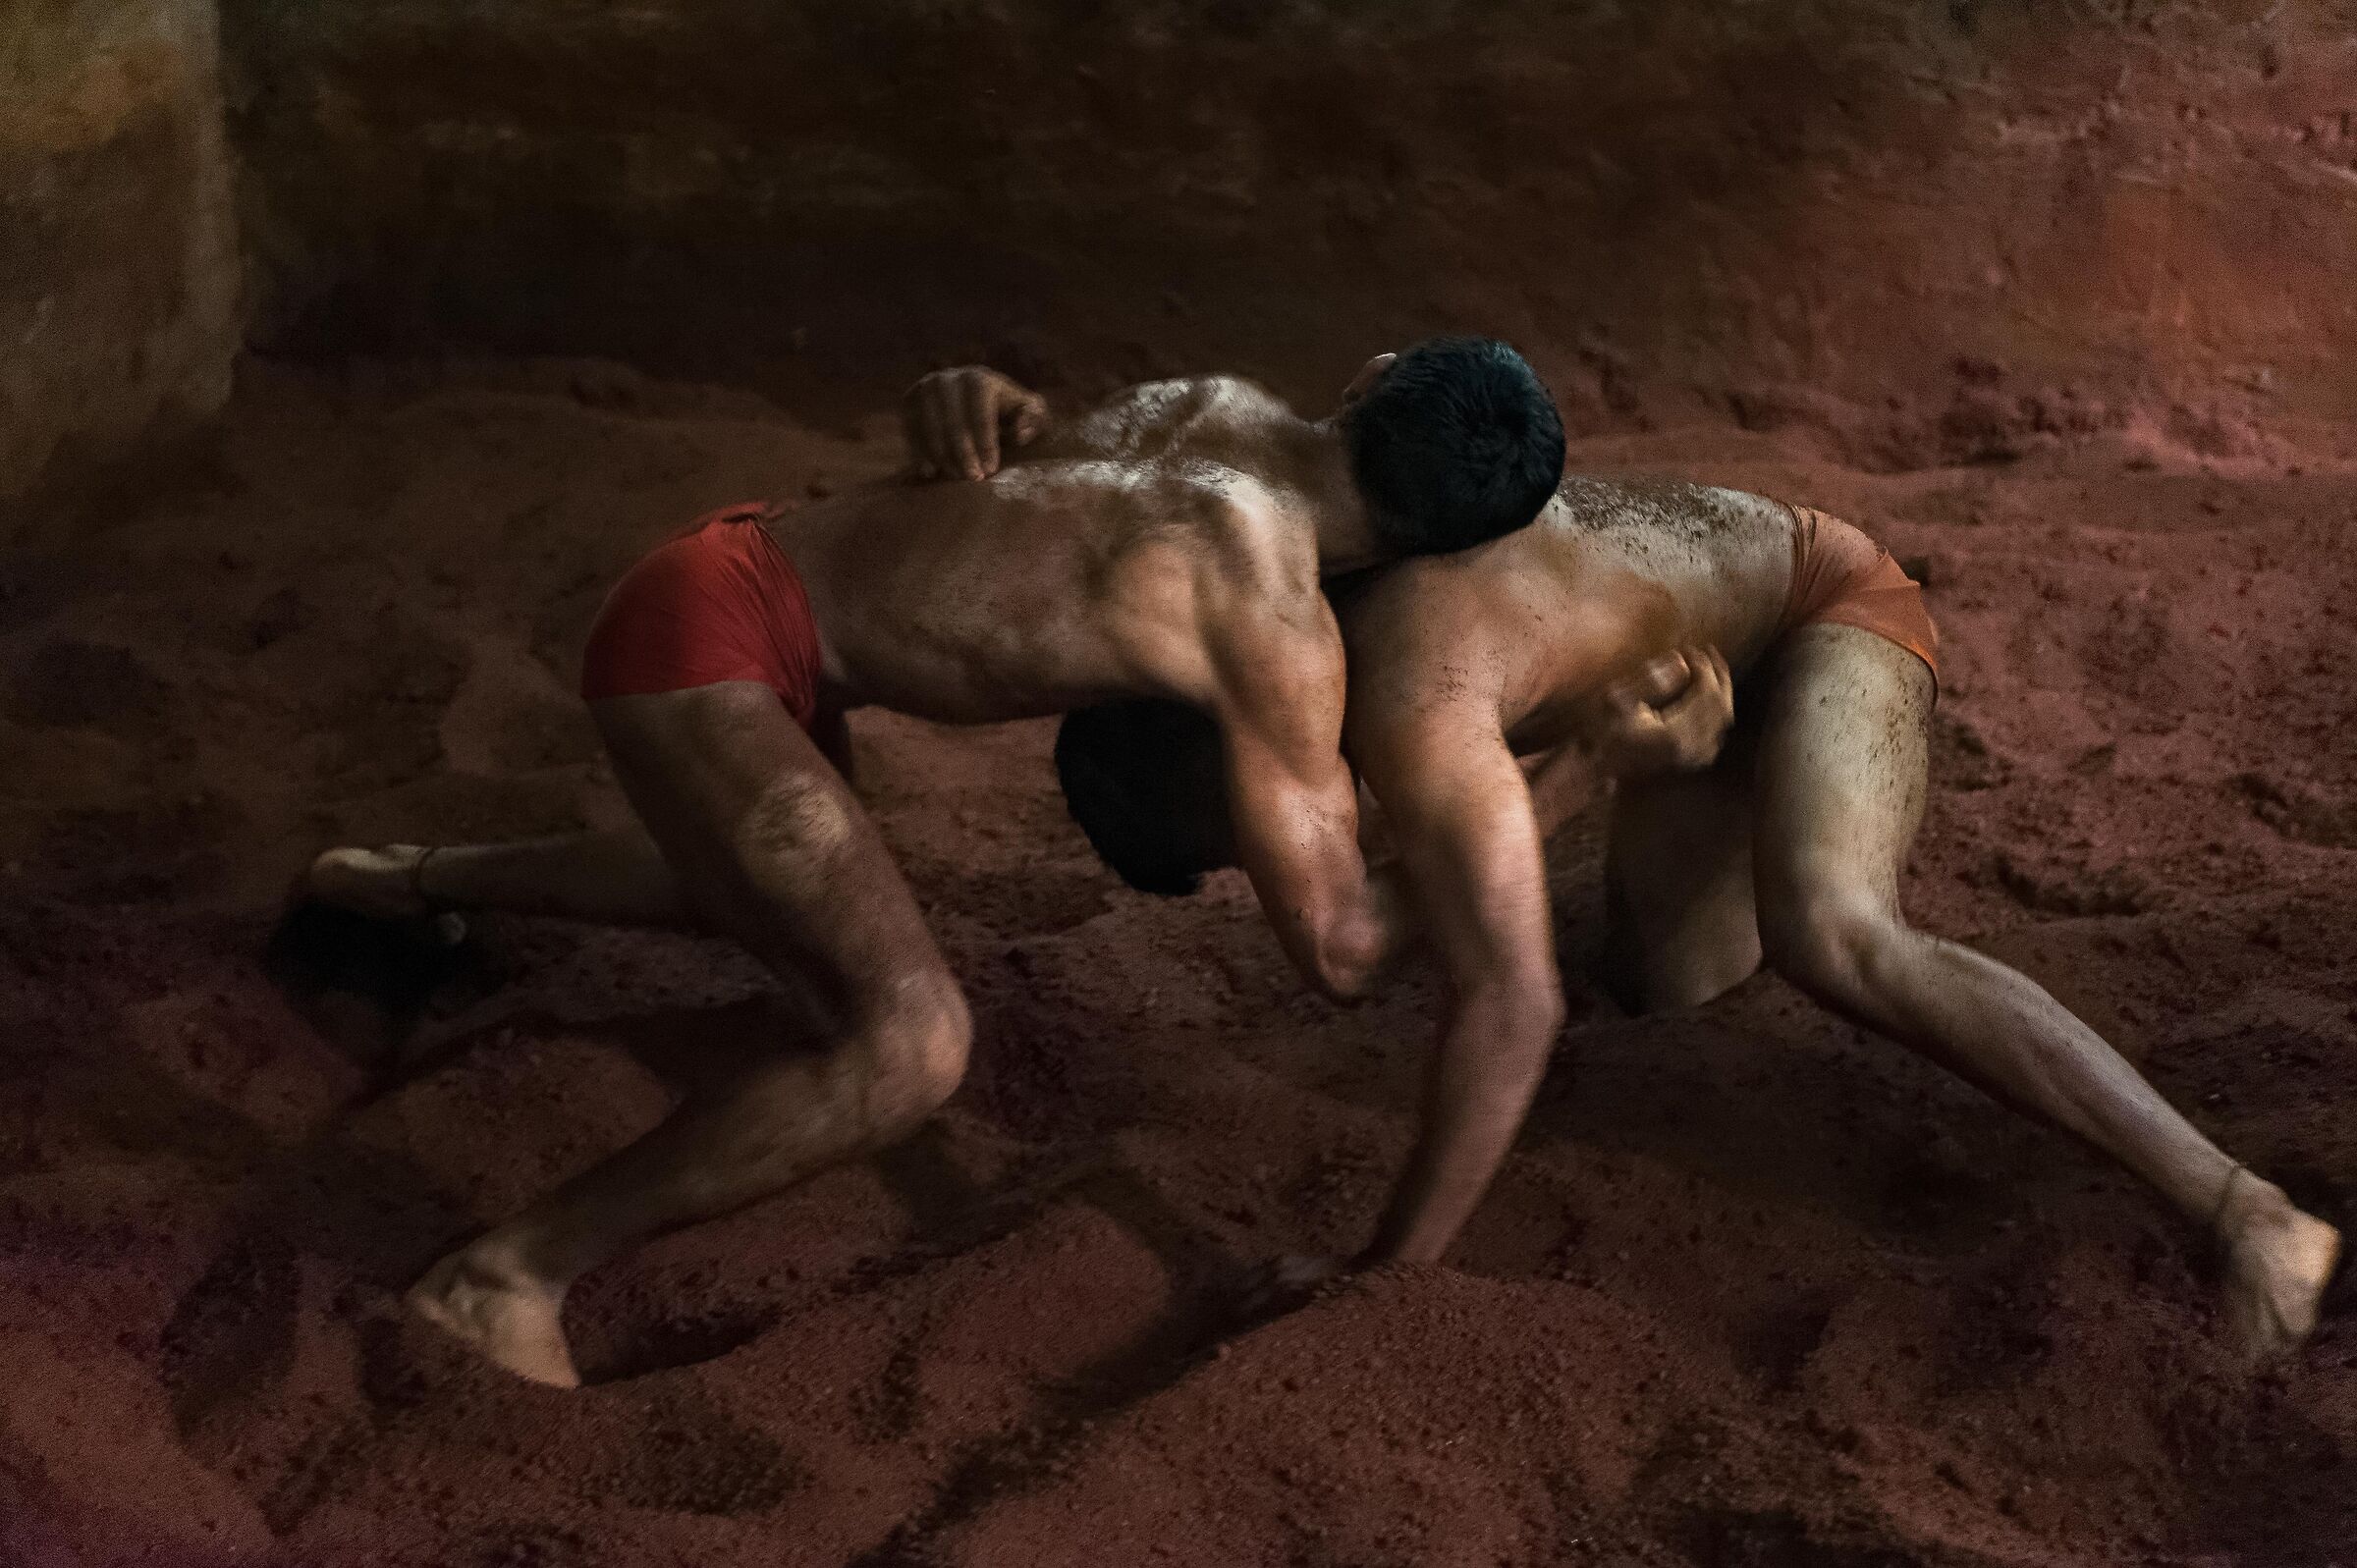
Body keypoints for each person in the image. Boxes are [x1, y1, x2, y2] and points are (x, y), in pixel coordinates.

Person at [299, 340, 1569, 1386]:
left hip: (725, 572)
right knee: (911, 1044)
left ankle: (394, 877)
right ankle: (505, 1271)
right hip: (710, 654)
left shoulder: (1209, 400)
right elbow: (1342, 950)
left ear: (1369, 377)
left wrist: (967, 392)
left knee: (742, 889)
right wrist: (1574, 777)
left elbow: (1003, 469)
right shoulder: (1276, 625)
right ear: (1431, 551)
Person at [1054, 470, 2341, 1359]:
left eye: (1266, 830)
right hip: (1689, 687)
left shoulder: (1400, 690)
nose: (1298, 844)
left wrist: (1386, 1267)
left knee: (1834, 934)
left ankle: (2249, 1213)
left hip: (1827, 612)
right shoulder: (1279, 604)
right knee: (1668, 983)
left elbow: (1506, 1004)